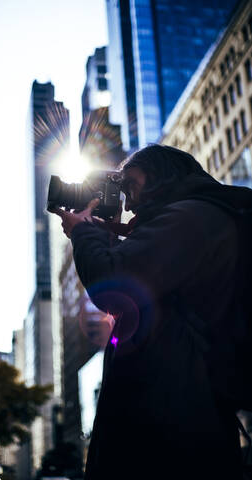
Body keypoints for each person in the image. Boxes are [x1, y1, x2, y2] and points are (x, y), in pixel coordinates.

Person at [50, 144, 252, 480]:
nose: (126, 202)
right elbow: (146, 289)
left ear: (161, 175)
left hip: (174, 416)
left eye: (129, 185)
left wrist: (84, 231)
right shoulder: (193, 218)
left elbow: (114, 285)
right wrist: (108, 236)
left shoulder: (193, 217)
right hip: (175, 404)